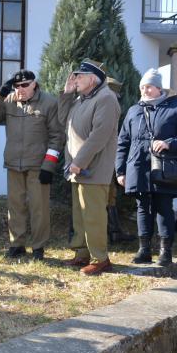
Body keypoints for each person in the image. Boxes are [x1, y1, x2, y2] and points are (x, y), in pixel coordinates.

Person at [115, 68, 177, 266]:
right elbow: (123, 142)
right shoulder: (134, 110)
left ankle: (165, 252)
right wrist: (120, 170)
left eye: (149, 87)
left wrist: (169, 142)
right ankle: (144, 251)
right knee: (142, 207)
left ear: (159, 88)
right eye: (142, 87)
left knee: (163, 207)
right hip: (138, 167)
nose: (144, 90)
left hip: (164, 168)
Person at [0, 69, 63, 260]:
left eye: (25, 85)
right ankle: (17, 244)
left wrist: (49, 165)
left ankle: (38, 247)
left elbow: (57, 136)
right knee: (15, 206)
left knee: (38, 208)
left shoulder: (49, 103)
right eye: (17, 86)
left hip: (38, 165)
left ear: (34, 83)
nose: (20, 89)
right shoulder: (9, 101)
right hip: (13, 163)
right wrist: (0, 94)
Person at [58, 59, 120, 275]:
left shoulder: (106, 98)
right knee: (80, 214)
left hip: (93, 168)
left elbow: (99, 136)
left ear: (93, 79)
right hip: (77, 167)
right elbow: (62, 120)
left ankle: (100, 259)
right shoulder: (80, 99)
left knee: (93, 215)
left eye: (79, 76)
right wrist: (66, 95)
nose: (75, 79)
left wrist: (79, 162)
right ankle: (82, 254)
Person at [105, 77, 135, 244]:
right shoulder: (104, 106)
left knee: (111, 196)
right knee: (106, 196)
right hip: (102, 158)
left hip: (111, 156)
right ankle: (111, 232)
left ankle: (114, 231)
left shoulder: (110, 107)